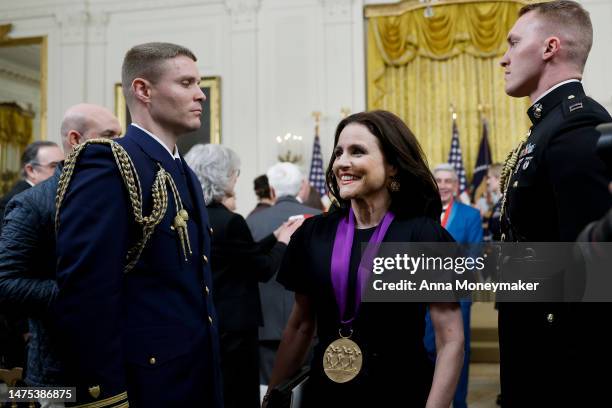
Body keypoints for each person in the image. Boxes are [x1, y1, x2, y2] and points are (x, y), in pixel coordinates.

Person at [53, 43, 223, 407]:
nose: (200, 95)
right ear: (143, 90)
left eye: (199, 83)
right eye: (186, 83)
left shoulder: (184, 173)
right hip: (146, 386)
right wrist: (105, 397)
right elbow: (88, 294)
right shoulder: (109, 163)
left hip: (192, 376)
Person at [263, 110, 464, 407]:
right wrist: (272, 395)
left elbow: (450, 340)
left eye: (358, 152)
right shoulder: (313, 234)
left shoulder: (423, 235)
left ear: (393, 165)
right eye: (339, 152)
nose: (342, 162)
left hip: (401, 391)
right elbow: (300, 326)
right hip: (326, 394)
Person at [498, 1, 612, 406]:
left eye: (513, 43)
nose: (504, 58)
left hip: (558, 365)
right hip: (533, 348)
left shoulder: (574, 125)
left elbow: (594, 270)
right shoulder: (548, 127)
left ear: (549, 47)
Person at [0, 104, 121, 408]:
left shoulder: (120, 196)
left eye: (119, 136)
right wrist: (73, 294)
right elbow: (5, 281)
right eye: (108, 136)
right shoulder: (31, 204)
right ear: (76, 139)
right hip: (54, 375)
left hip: (116, 363)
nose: (118, 146)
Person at [185, 143, 302, 408]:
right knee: (240, 393)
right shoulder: (230, 221)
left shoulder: (197, 216)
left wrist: (273, 236)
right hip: (237, 328)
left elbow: (237, 254)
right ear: (220, 175)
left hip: (210, 318)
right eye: (233, 172)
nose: (236, 177)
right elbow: (261, 268)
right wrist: (284, 241)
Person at [245, 162, 322, 385]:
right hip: (311, 326)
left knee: (269, 394)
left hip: (265, 326)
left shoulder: (251, 222)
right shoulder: (322, 221)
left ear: (272, 190)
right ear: (302, 188)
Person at [424, 163, 482, 408]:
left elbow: (474, 257)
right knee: (425, 350)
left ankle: (458, 403)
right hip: (421, 295)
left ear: (456, 186)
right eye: (439, 181)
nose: (444, 186)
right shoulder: (421, 215)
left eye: (449, 181)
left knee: (456, 352)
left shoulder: (471, 215)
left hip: (457, 296)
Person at [0, 140, 63, 225]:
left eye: (63, 165)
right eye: (54, 166)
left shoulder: (51, 195)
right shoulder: (14, 202)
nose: (62, 171)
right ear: (31, 170)